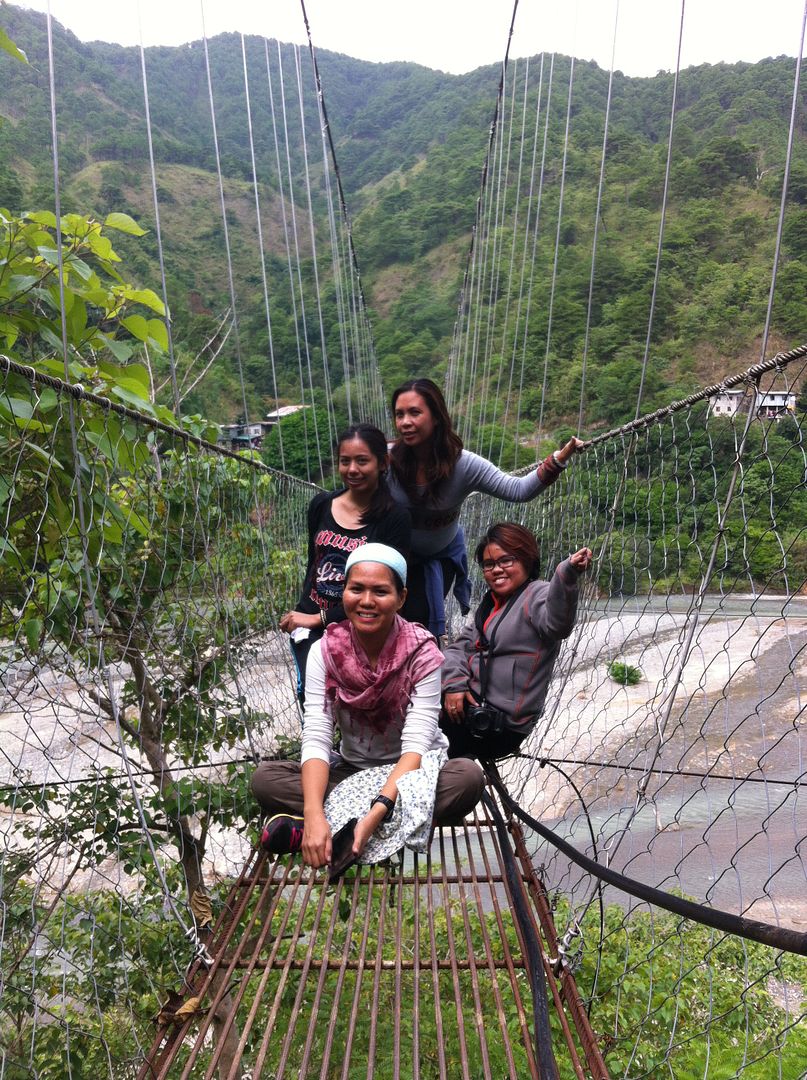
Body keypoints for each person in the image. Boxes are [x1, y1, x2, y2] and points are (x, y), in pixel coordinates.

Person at [252, 544, 484, 866]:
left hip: (412, 774)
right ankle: (358, 825)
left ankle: (348, 829)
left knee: (468, 778)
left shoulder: (423, 654)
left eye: (380, 591)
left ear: (401, 598)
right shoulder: (326, 651)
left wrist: (375, 813)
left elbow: (416, 746)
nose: (366, 601)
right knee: (265, 780)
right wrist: (314, 813)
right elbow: (318, 733)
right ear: (343, 592)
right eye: (356, 589)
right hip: (352, 770)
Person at [387, 378, 583, 635]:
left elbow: (518, 490)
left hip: (439, 557)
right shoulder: (385, 460)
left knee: (415, 623)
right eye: (399, 414)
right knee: (380, 615)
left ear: (436, 417)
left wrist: (559, 459)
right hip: (391, 553)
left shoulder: (464, 465)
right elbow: (355, 492)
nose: (405, 422)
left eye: (414, 412)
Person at [279, 423, 411, 700]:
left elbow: (387, 585)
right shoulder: (321, 505)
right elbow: (313, 565)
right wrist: (305, 614)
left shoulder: (394, 518)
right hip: (310, 621)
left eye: (362, 460)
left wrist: (320, 618)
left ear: (382, 463)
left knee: (359, 701)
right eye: (345, 461)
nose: (352, 469)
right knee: (313, 698)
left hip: (361, 624)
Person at [441, 521, 592, 760]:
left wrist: (567, 575)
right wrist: (454, 684)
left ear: (527, 559)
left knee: (412, 722)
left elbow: (558, 624)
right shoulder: (491, 606)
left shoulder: (538, 594)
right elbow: (457, 650)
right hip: (471, 711)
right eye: (489, 564)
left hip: (498, 726)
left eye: (506, 561)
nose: (496, 569)